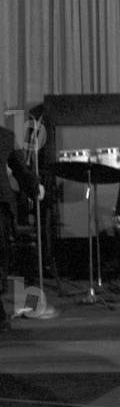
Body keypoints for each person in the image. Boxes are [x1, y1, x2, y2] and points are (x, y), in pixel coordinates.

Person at [1, 122, 43, 332]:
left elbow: (20, 170)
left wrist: (34, 187)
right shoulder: (5, 136)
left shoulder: (6, 137)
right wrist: (35, 187)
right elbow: (21, 170)